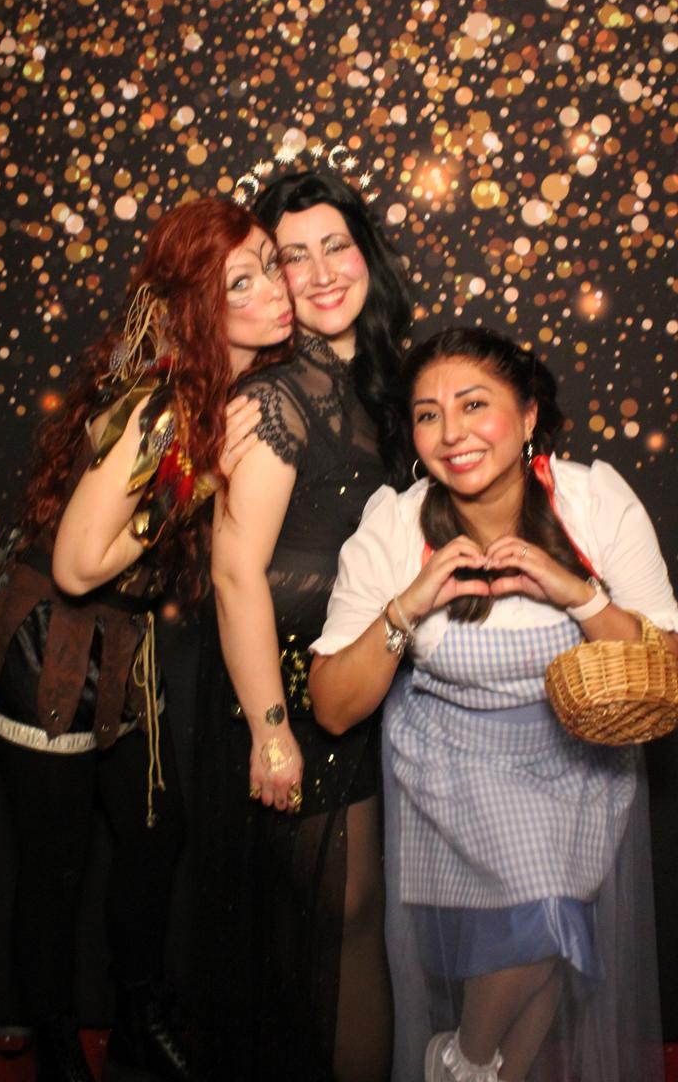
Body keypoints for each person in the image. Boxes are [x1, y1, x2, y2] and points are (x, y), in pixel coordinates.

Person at [0, 197, 293, 1082]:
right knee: (56, 866)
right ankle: (58, 1051)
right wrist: (195, 481)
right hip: (51, 648)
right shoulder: (163, 408)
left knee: (154, 837)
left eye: (270, 264)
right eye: (241, 281)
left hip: (123, 642)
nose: (274, 289)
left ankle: (137, 1021)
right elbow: (77, 565)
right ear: (198, 308)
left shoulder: (213, 392)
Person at [309, 326, 677, 1082]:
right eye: (429, 414)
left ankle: (463, 1067)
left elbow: (666, 666)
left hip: (579, 766)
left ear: (528, 414)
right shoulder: (395, 524)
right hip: (455, 771)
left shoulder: (592, 500)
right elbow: (334, 708)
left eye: (475, 404)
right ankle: (463, 1061)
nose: (453, 433)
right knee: (547, 916)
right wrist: (407, 607)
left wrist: (577, 594)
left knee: (551, 946)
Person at [193, 171, 414, 1081]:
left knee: (354, 921)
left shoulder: (387, 380)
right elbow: (233, 571)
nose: (320, 273)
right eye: (294, 256)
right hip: (288, 692)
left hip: (365, 679)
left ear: (366, 253)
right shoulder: (274, 400)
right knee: (333, 924)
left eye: (336, 246)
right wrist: (271, 731)